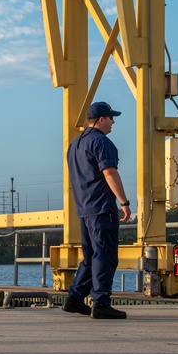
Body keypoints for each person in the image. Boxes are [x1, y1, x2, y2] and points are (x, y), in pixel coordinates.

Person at [62, 101, 131, 319]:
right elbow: (109, 173)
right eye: (111, 118)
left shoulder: (75, 145)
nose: (113, 122)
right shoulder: (102, 142)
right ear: (101, 119)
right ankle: (101, 302)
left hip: (84, 209)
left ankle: (74, 298)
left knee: (90, 256)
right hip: (102, 207)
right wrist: (124, 202)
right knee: (105, 255)